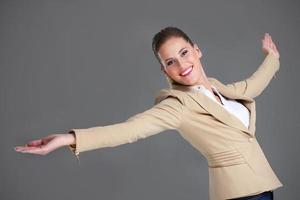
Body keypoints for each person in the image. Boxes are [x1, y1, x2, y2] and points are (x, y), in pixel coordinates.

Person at [14, 26, 283, 200]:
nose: (181, 64)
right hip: (240, 195)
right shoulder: (177, 105)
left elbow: (251, 86)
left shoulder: (217, 88)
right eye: (170, 62)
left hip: (262, 189)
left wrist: (272, 58)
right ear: (165, 71)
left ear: (197, 50)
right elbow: (129, 130)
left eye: (184, 52)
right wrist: (68, 138)